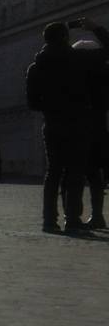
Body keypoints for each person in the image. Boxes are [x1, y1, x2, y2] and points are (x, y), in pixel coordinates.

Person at [26, 18, 109, 233]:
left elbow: (32, 103)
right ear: (64, 37)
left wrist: (51, 107)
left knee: (53, 172)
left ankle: (49, 221)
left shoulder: (35, 67)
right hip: (78, 122)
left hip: (52, 123)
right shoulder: (79, 59)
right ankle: (72, 220)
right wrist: (95, 28)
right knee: (75, 172)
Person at [71, 39, 109, 229]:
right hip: (99, 129)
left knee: (75, 174)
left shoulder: (75, 75)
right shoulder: (104, 73)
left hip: (79, 129)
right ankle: (97, 215)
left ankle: (74, 216)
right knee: (95, 175)